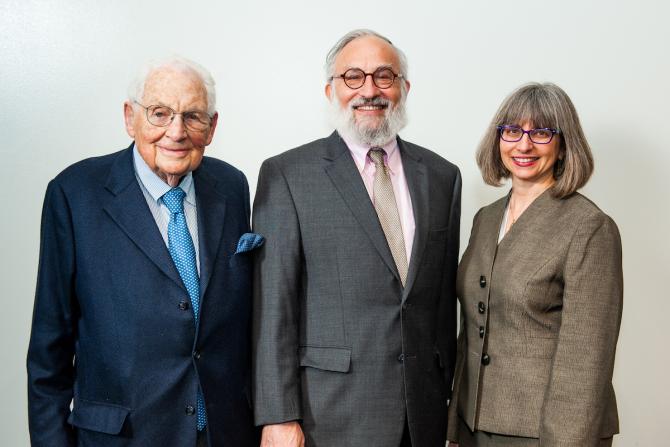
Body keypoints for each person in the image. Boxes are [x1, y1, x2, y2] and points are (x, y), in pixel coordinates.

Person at [27, 57, 259, 447]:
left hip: (223, 434)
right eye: (159, 113)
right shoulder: (75, 194)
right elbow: (49, 352)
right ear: (129, 117)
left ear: (212, 126)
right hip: (122, 437)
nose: (176, 131)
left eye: (193, 117)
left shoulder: (232, 187)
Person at [252, 29, 461, 447]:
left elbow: (439, 309)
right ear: (331, 88)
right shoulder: (288, 175)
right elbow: (273, 305)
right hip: (328, 416)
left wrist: (451, 412)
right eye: (353, 77)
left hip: (423, 417)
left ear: (404, 88)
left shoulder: (441, 177)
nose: (370, 90)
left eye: (385, 76)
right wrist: (277, 416)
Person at [447, 82, 623, 447]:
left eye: (541, 132)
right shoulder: (486, 219)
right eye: (512, 131)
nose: (523, 145)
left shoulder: (589, 227)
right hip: (473, 424)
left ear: (562, 146)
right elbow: (471, 330)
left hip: (546, 433)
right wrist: (454, 427)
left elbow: (587, 360)